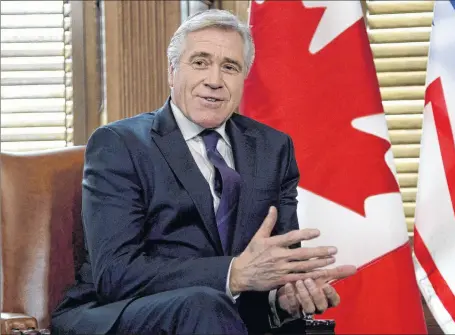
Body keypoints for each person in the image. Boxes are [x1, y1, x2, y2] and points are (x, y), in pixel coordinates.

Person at [51, 9, 356, 335]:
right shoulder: (119, 144)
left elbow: (274, 268)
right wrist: (232, 273)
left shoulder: (272, 149)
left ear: (244, 79)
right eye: (200, 62)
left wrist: (284, 298)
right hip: (116, 313)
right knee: (203, 305)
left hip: (220, 322)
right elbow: (116, 274)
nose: (214, 80)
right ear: (172, 72)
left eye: (230, 67)